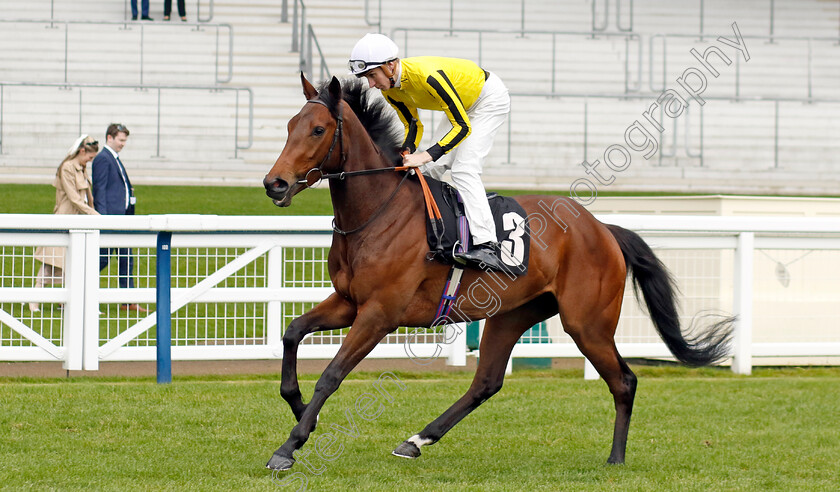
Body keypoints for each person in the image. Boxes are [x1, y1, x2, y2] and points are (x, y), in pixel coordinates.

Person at [348, 33, 511, 271]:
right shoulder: (390, 89)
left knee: (464, 170)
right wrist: (407, 152)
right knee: (429, 169)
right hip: (463, 106)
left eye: (372, 75)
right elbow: (412, 125)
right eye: (366, 78)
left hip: (488, 99)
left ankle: (488, 245)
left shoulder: (428, 77)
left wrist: (425, 155)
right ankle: (427, 232)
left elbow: (463, 126)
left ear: (390, 65)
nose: (371, 84)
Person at [30, 136, 101, 313]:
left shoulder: (81, 168)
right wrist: (94, 214)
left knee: (71, 263)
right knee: (51, 263)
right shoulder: (68, 167)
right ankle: (34, 300)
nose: (90, 161)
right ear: (82, 151)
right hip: (65, 218)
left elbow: (86, 197)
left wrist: (91, 211)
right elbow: (74, 197)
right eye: (90, 157)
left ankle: (66, 301)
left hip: (78, 219)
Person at [92, 123, 147, 312]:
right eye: (121, 140)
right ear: (110, 138)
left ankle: (128, 301)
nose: (123, 144)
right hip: (111, 220)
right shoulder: (103, 159)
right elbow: (99, 191)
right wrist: (104, 220)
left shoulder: (114, 158)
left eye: (125, 140)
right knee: (102, 259)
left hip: (122, 219)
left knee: (126, 258)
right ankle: (78, 287)